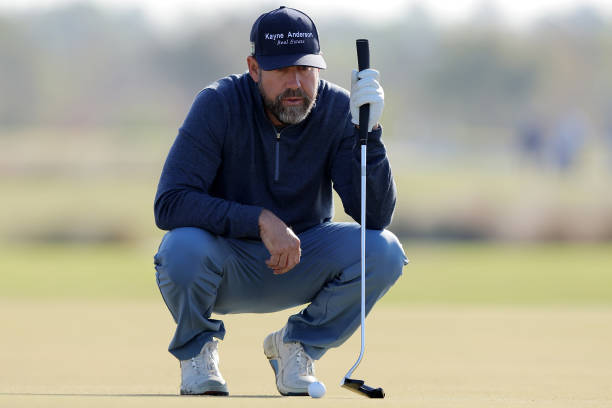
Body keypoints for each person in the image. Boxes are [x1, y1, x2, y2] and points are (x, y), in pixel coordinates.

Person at [153, 6, 408, 396]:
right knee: (179, 248)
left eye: (305, 70)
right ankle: (197, 351)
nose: (296, 83)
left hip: (303, 258)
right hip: (225, 262)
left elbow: (375, 216)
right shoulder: (218, 104)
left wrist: (369, 134)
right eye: (281, 70)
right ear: (254, 68)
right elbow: (170, 203)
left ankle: (297, 347)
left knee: (384, 250)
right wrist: (259, 220)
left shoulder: (340, 110)